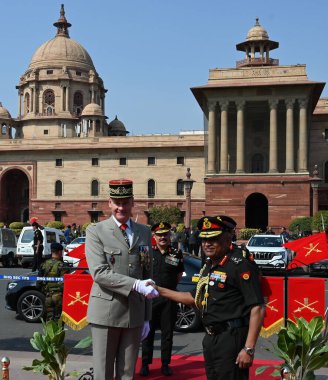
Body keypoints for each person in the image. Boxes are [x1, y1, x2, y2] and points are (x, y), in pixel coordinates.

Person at [152, 216, 264, 380]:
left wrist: (248, 348)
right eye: (204, 239)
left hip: (231, 338)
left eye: (213, 239)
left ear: (227, 238)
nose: (207, 244)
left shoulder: (239, 265)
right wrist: (158, 290)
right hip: (211, 338)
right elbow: (193, 298)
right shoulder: (209, 265)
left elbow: (258, 308)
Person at [85, 179, 159, 380]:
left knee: (127, 373)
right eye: (116, 202)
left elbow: (147, 274)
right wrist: (134, 285)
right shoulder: (95, 231)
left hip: (134, 313)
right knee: (104, 373)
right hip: (106, 312)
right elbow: (99, 272)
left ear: (133, 202)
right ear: (109, 203)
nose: (121, 207)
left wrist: (146, 316)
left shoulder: (144, 231)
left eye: (125, 202)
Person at [140, 222, 184, 377]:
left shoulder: (176, 253)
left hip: (169, 299)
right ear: (154, 236)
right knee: (148, 333)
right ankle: (145, 364)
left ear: (169, 235)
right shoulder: (147, 252)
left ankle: (165, 364)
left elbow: (178, 276)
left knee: (167, 334)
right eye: (159, 235)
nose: (163, 237)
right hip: (150, 299)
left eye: (165, 234)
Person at [38, 242, 70, 321]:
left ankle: (49, 333)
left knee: (49, 318)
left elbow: (38, 282)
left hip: (48, 295)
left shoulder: (44, 264)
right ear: (59, 252)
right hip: (58, 296)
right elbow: (65, 283)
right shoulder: (62, 266)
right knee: (58, 319)